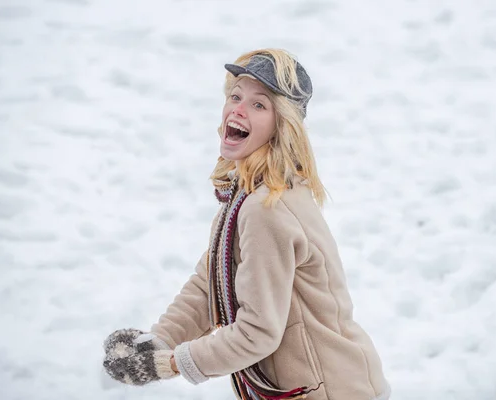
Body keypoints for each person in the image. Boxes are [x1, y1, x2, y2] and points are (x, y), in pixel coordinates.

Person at [102, 48, 391, 400]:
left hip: (329, 389)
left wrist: (170, 364)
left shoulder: (267, 208)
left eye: (259, 104)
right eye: (235, 96)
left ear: (281, 125)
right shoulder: (251, 191)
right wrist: (158, 341)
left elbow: (257, 332)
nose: (238, 108)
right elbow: (213, 281)